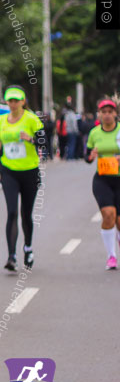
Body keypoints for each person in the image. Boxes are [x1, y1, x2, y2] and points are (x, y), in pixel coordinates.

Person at [0, 86, 44, 271]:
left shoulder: (32, 119)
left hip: (30, 172)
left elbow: (44, 143)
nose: (13, 103)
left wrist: (31, 139)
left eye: (16, 100)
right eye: (10, 100)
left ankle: (28, 248)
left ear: (23, 101)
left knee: (26, 214)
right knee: (12, 211)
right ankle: (11, 256)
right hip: (9, 171)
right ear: (6, 102)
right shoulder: (0, 120)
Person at [85, 99, 120, 270]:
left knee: (119, 221)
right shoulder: (94, 133)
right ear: (99, 114)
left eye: (109, 111)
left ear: (115, 114)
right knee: (108, 214)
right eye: (103, 112)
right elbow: (86, 157)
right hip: (102, 179)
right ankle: (111, 256)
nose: (106, 115)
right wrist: (91, 155)